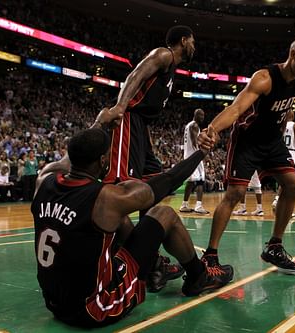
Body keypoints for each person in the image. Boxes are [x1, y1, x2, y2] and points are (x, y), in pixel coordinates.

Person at [32, 108, 233, 328]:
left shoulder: (44, 179)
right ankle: (199, 277)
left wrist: (99, 123)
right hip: (94, 309)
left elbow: (72, 154)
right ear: (102, 160)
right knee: (164, 214)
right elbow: (169, 180)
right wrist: (201, 153)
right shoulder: (106, 198)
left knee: (121, 221)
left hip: (54, 302)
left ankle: (155, 267)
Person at [198, 37, 295, 275]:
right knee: (235, 194)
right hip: (247, 141)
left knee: (293, 184)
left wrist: (280, 131)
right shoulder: (264, 79)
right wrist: (211, 129)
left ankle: (275, 246)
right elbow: (235, 109)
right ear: (292, 54)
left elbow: (285, 109)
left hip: (272, 141)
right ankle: (210, 256)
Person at [103, 25, 195, 184]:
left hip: (141, 125)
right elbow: (135, 75)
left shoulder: (172, 68)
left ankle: (149, 209)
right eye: (192, 42)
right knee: (120, 183)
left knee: (153, 178)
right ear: (183, 40)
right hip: (128, 117)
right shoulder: (164, 54)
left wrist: (146, 136)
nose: (194, 46)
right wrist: (120, 106)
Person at [271, 110, 295, 217]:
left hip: (281, 152)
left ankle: (277, 200)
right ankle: (287, 210)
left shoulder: (280, 125)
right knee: (294, 183)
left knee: (286, 181)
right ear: (291, 115)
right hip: (292, 152)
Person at [179, 108, 210, 214]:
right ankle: (198, 206)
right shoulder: (195, 126)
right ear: (195, 115)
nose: (202, 117)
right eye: (200, 115)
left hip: (188, 156)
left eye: (203, 115)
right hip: (195, 157)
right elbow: (195, 142)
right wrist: (203, 152)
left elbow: (184, 142)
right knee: (200, 181)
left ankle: (184, 205)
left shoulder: (188, 125)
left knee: (191, 181)